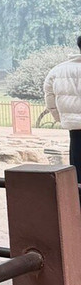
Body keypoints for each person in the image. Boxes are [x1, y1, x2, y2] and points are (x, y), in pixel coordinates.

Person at [43, 35, 81, 183]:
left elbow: (50, 98)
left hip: (74, 127)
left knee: (77, 170)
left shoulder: (58, 70)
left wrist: (60, 118)